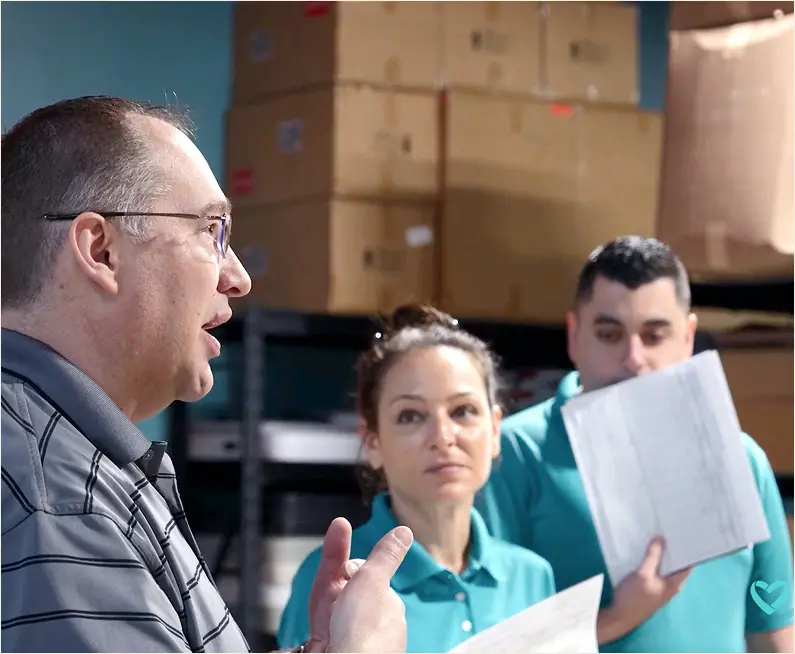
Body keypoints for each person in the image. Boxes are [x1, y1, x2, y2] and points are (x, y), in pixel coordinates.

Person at [1, 96, 413, 654]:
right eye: (211, 231)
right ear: (101, 250)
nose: (238, 277)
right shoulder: (59, 504)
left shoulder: (65, 460)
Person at [476, 236, 795, 653]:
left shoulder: (741, 458)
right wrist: (615, 618)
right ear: (574, 337)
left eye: (654, 335)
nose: (633, 358)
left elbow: (770, 620)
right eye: (610, 335)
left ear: (687, 338)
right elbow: (488, 638)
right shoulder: (512, 455)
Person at [277, 304, 557, 653]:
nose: (443, 436)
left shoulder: (532, 577)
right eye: (410, 416)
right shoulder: (334, 581)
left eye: (463, 411)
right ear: (373, 442)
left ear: (496, 429)